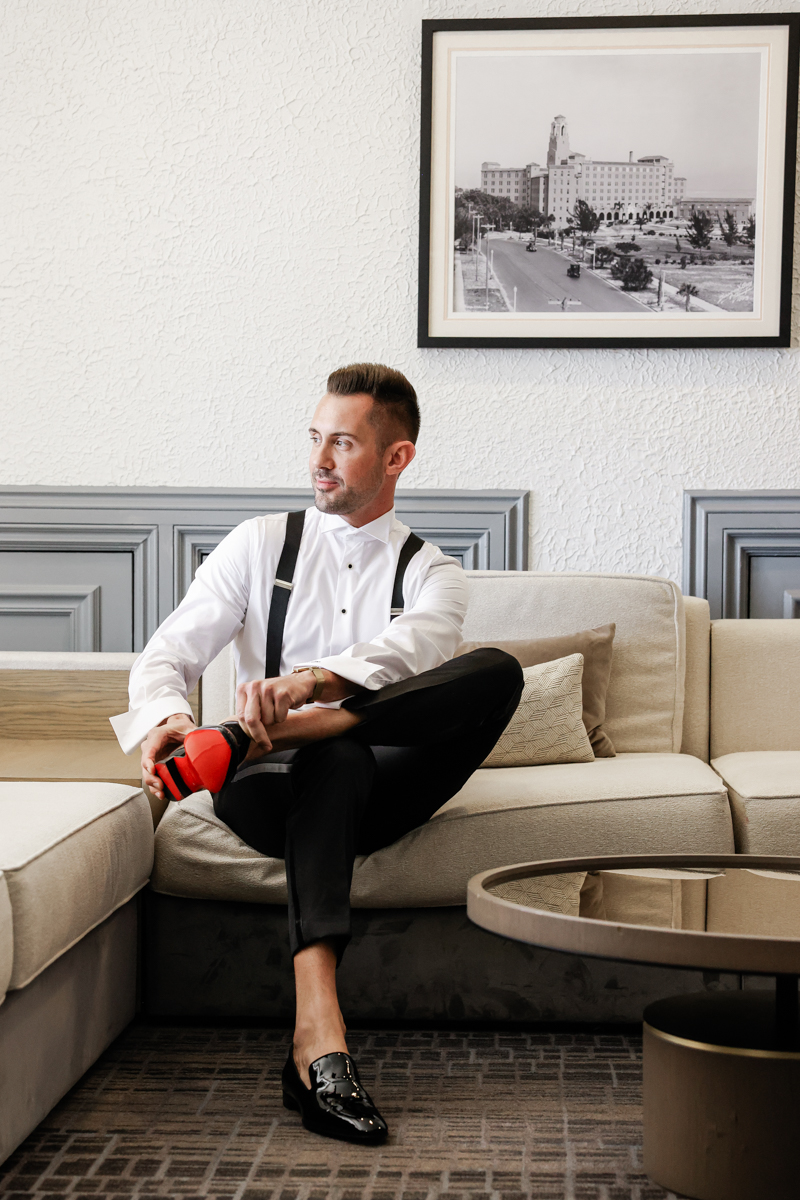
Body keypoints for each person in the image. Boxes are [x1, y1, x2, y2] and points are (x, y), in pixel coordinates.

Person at [111, 363, 523, 1145]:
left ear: (397, 458)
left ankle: (305, 729)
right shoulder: (260, 543)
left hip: (386, 787)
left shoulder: (433, 573)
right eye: (314, 438)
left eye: (343, 443)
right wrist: (169, 716)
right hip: (260, 784)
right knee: (336, 760)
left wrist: (311, 690)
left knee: (495, 671)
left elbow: (410, 652)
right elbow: (167, 655)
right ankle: (318, 1035)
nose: (318, 460)